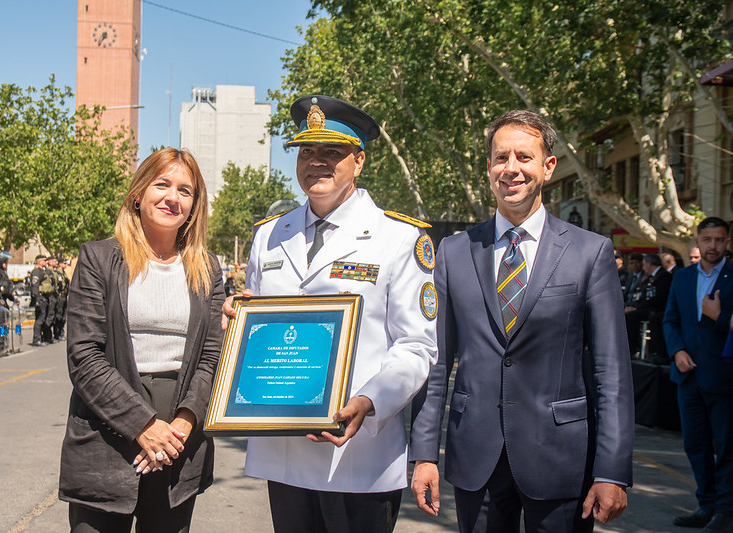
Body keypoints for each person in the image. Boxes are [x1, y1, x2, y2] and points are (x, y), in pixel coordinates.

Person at [409, 110, 634, 532]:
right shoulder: (453, 253)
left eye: (524, 157)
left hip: (561, 459)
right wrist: (423, 454)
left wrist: (612, 470)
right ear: (489, 167)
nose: (511, 168)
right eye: (500, 158)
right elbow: (435, 365)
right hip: (476, 457)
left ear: (548, 167)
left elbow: (612, 374)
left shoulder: (591, 252)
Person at [223, 95, 437, 532]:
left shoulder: (398, 238)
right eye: (307, 151)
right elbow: (258, 327)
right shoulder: (268, 236)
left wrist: (370, 401)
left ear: (358, 161)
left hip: (358, 458)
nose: (316, 162)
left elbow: (416, 346)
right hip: (283, 450)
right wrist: (238, 320)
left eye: (332, 152)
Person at [59, 148, 223, 532]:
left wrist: (181, 426)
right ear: (138, 192)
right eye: (162, 184)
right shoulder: (98, 259)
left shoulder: (209, 268)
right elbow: (84, 355)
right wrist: (143, 425)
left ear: (195, 204)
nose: (172, 197)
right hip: (106, 436)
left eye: (186, 190)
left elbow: (213, 355)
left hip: (179, 444)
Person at [663, 217, 733, 532]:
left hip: (724, 377)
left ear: (727, 242)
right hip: (688, 376)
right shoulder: (682, 277)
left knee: (726, 447)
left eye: (719, 240)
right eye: (707, 240)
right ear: (697, 241)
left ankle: (726, 511)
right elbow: (670, 320)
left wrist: (720, 318)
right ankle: (706, 504)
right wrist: (676, 351)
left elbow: (724, 323)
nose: (713, 246)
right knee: (695, 445)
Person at [624, 253, 672, 359]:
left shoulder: (664, 277)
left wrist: (637, 308)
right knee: (627, 314)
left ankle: (634, 349)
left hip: (657, 310)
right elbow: (644, 296)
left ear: (649, 264)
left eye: (644, 264)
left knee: (631, 316)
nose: (643, 267)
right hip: (648, 308)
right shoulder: (650, 278)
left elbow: (659, 298)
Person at [30, 254, 53, 346]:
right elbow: (34, 285)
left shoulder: (43, 271)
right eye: (44, 260)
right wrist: (36, 299)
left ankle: (43, 338)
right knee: (40, 319)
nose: (46, 262)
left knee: (43, 318)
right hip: (40, 298)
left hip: (45, 298)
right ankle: (36, 339)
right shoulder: (36, 272)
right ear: (39, 261)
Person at [52, 257, 69, 341]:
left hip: (64, 296)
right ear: (60, 264)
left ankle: (61, 333)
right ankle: (57, 333)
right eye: (64, 263)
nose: (66, 265)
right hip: (59, 296)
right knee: (58, 315)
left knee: (63, 316)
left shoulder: (63, 273)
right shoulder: (56, 273)